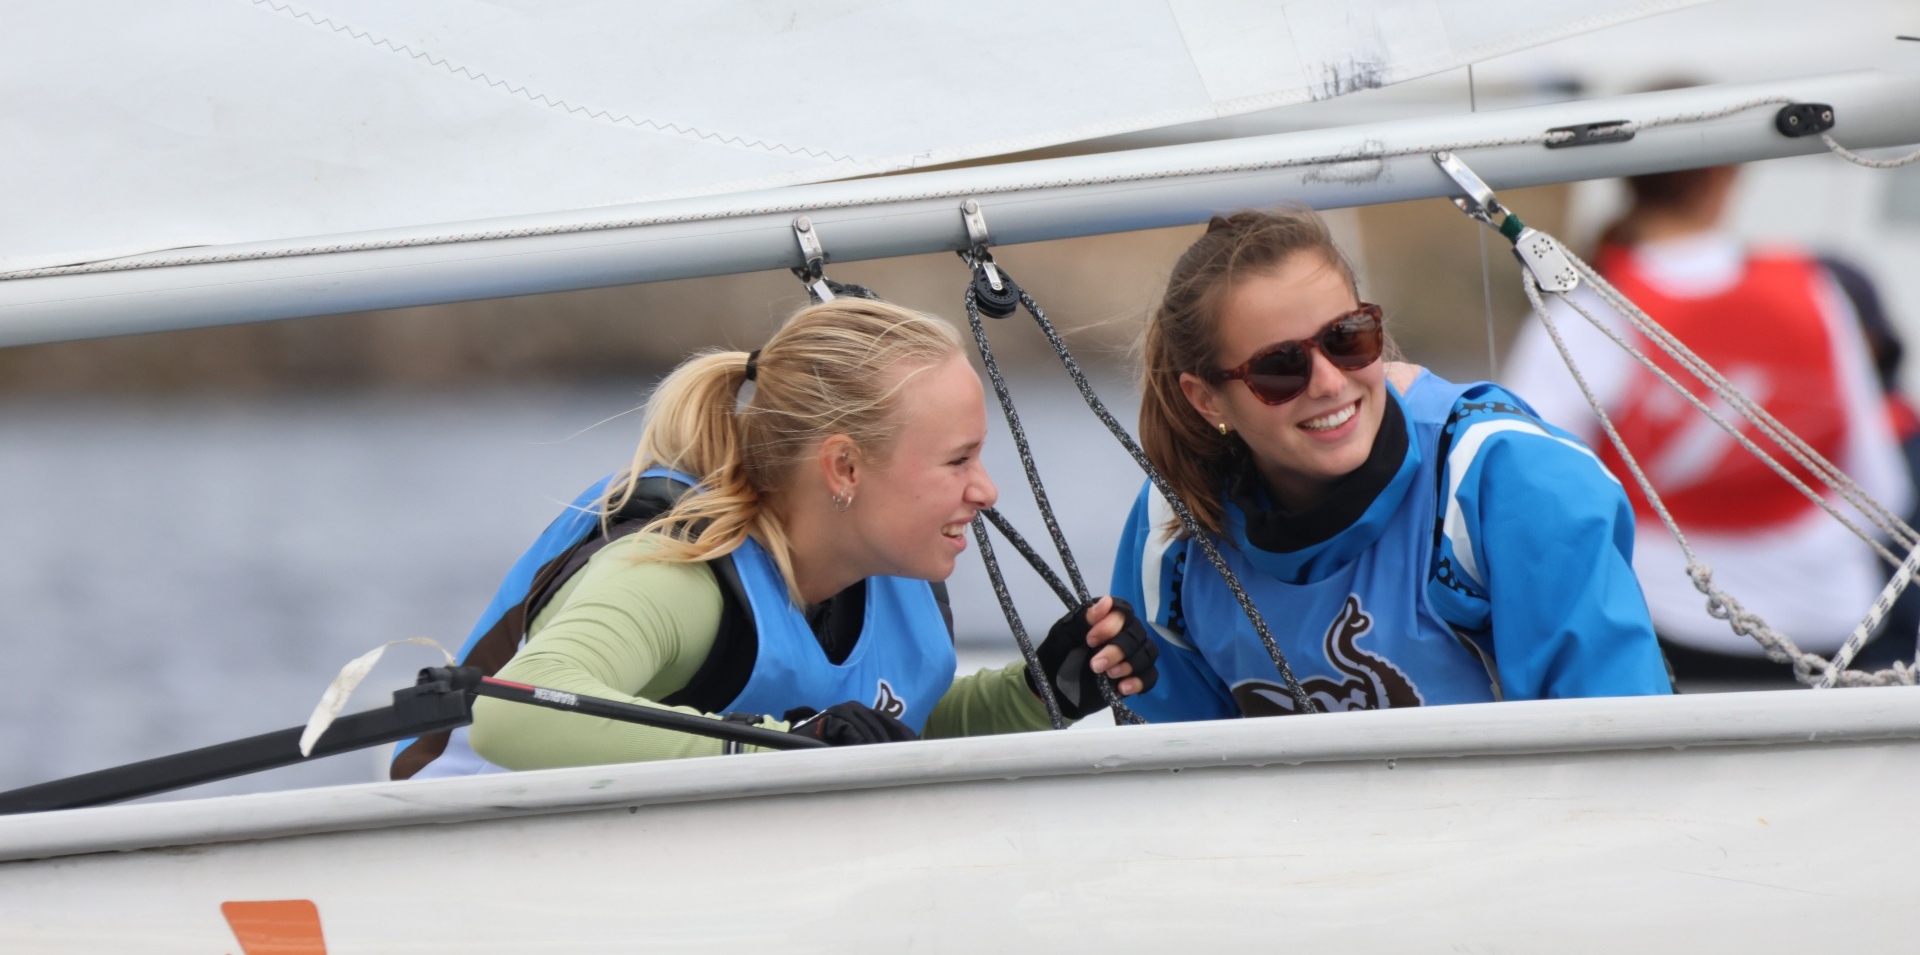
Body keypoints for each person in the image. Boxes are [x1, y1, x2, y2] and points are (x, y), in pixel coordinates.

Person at [393, 298, 1158, 777]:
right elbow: (513, 712)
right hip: (451, 859)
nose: (986, 491)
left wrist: (1043, 691)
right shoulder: (680, 571)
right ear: (845, 466)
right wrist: (774, 747)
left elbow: (889, 728)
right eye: (957, 460)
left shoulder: (894, 571)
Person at [1111, 208, 1670, 720]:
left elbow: (1620, 750)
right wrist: (1072, 696)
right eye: (1279, 367)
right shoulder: (1174, 526)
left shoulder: (1514, 483)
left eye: (1347, 338)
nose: (1330, 383)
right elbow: (1170, 767)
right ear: (1206, 400)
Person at [1502, 166, 1914, 677]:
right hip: (1833, 625)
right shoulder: (1814, 290)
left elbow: (1528, 493)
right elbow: (1884, 489)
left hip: (1667, 623)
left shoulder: (1587, 311)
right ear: (1726, 178)